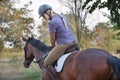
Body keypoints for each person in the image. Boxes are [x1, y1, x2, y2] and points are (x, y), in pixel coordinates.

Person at [38, 4, 77, 79]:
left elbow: (52, 40)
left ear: (48, 12)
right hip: (73, 43)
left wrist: (53, 47)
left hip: (63, 45)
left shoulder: (52, 22)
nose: (43, 18)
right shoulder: (63, 17)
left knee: (46, 63)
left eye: (43, 16)